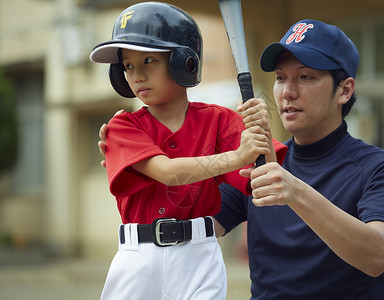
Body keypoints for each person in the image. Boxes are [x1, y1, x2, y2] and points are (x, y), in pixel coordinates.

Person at [99, 19, 384, 299]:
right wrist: (139, 159)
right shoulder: (255, 167)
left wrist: (295, 192)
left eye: (305, 77)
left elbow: (376, 257)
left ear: (344, 90)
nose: (287, 92)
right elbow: (192, 225)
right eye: (280, 78)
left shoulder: (381, 168)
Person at [89, 2, 286, 300]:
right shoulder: (122, 126)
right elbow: (167, 173)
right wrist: (237, 156)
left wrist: (262, 134)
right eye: (128, 65)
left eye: (148, 61)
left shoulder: (219, 120)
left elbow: (265, 182)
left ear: (185, 62)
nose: (137, 75)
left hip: (200, 256)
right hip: (139, 259)